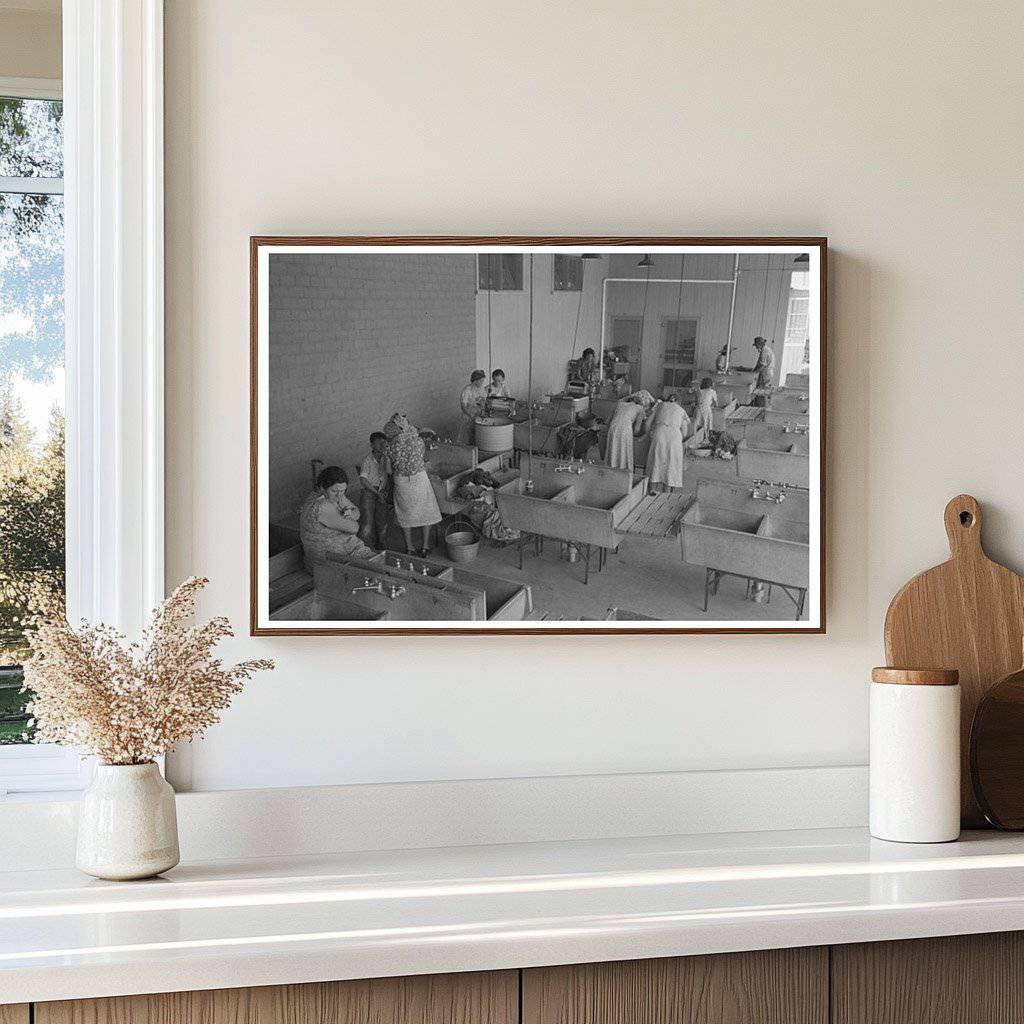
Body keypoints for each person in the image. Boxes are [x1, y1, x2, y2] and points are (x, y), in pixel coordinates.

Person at [383, 413, 442, 556]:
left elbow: (388, 471)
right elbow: (421, 460)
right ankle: (425, 547)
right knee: (426, 510)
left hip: (401, 482)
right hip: (419, 479)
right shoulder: (418, 441)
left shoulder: (389, 447)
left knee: (405, 513)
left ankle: (410, 548)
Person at [298, 465, 375, 569]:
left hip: (341, 555)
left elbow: (356, 512)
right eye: (334, 491)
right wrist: (350, 515)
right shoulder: (322, 507)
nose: (339, 496)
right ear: (322, 488)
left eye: (343, 491)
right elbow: (354, 528)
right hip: (331, 563)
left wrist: (350, 514)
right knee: (385, 568)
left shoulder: (332, 495)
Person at [644, 395, 689, 495]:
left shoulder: (659, 406)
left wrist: (649, 435)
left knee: (656, 461)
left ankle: (652, 491)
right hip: (675, 436)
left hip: (659, 433)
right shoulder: (682, 411)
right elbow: (685, 432)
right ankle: (666, 495)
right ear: (679, 402)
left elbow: (647, 423)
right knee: (671, 464)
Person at [357, 431, 390, 550]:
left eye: (384, 442)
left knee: (382, 521)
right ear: (372, 445)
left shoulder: (386, 458)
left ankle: (381, 546)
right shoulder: (367, 460)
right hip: (369, 491)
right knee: (367, 523)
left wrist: (387, 459)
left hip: (381, 491)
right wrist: (377, 493)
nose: (382, 445)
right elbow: (363, 480)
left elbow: (389, 472)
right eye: (379, 443)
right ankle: (362, 549)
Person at [605, 394, 646, 474]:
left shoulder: (619, 404)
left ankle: (611, 470)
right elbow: (637, 429)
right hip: (625, 429)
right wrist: (639, 435)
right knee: (624, 451)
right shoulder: (640, 408)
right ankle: (624, 471)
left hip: (613, 427)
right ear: (640, 403)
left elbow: (607, 421)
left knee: (613, 449)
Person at [738, 336, 776, 407]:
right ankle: (762, 405)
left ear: (759, 344)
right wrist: (754, 370)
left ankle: (761, 407)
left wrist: (753, 374)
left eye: (756, 346)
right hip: (768, 373)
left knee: (761, 392)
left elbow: (762, 366)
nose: (756, 348)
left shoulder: (764, 352)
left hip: (765, 374)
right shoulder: (767, 350)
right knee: (763, 391)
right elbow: (759, 364)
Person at [459, 370, 488, 443]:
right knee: (468, 438)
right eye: (481, 381)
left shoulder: (482, 389)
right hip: (469, 417)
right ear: (475, 380)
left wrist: (483, 411)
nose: (482, 383)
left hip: (479, 416)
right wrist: (471, 415)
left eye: (483, 381)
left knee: (478, 438)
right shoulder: (467, 390)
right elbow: (463, 406)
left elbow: (484, 402)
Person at [691, 377, 718, 445]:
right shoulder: (712, 392)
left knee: (697, 426)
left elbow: (696, 401)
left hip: (698, 409)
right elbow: (716, 404)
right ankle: (705, 441)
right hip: (706, 410)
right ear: (711, 384)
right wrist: (711, 405)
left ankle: (695, 441)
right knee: (706, 426)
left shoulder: (698, 391)